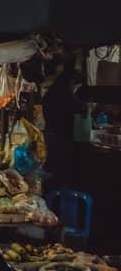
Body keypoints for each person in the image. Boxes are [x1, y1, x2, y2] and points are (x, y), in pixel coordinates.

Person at [42, 55, 81, 193]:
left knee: (52, 172)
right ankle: (59, 203)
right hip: (62, 140)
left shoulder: (51, 92)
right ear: (71, 82)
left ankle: (52, 200)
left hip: (50, 137)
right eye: (75, 86)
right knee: (61, 175)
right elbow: (80, 111)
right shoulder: (66, 95)